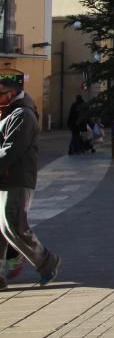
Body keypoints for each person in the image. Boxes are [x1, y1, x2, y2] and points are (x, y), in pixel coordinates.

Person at [0, 74, 61, 286]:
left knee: (13, 226)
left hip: (16, 178)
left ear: (11, 93)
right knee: (2, 227)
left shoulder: (23, 115)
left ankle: (47, 262)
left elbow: (11, 150)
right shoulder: (8, 112)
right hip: (5, 177)